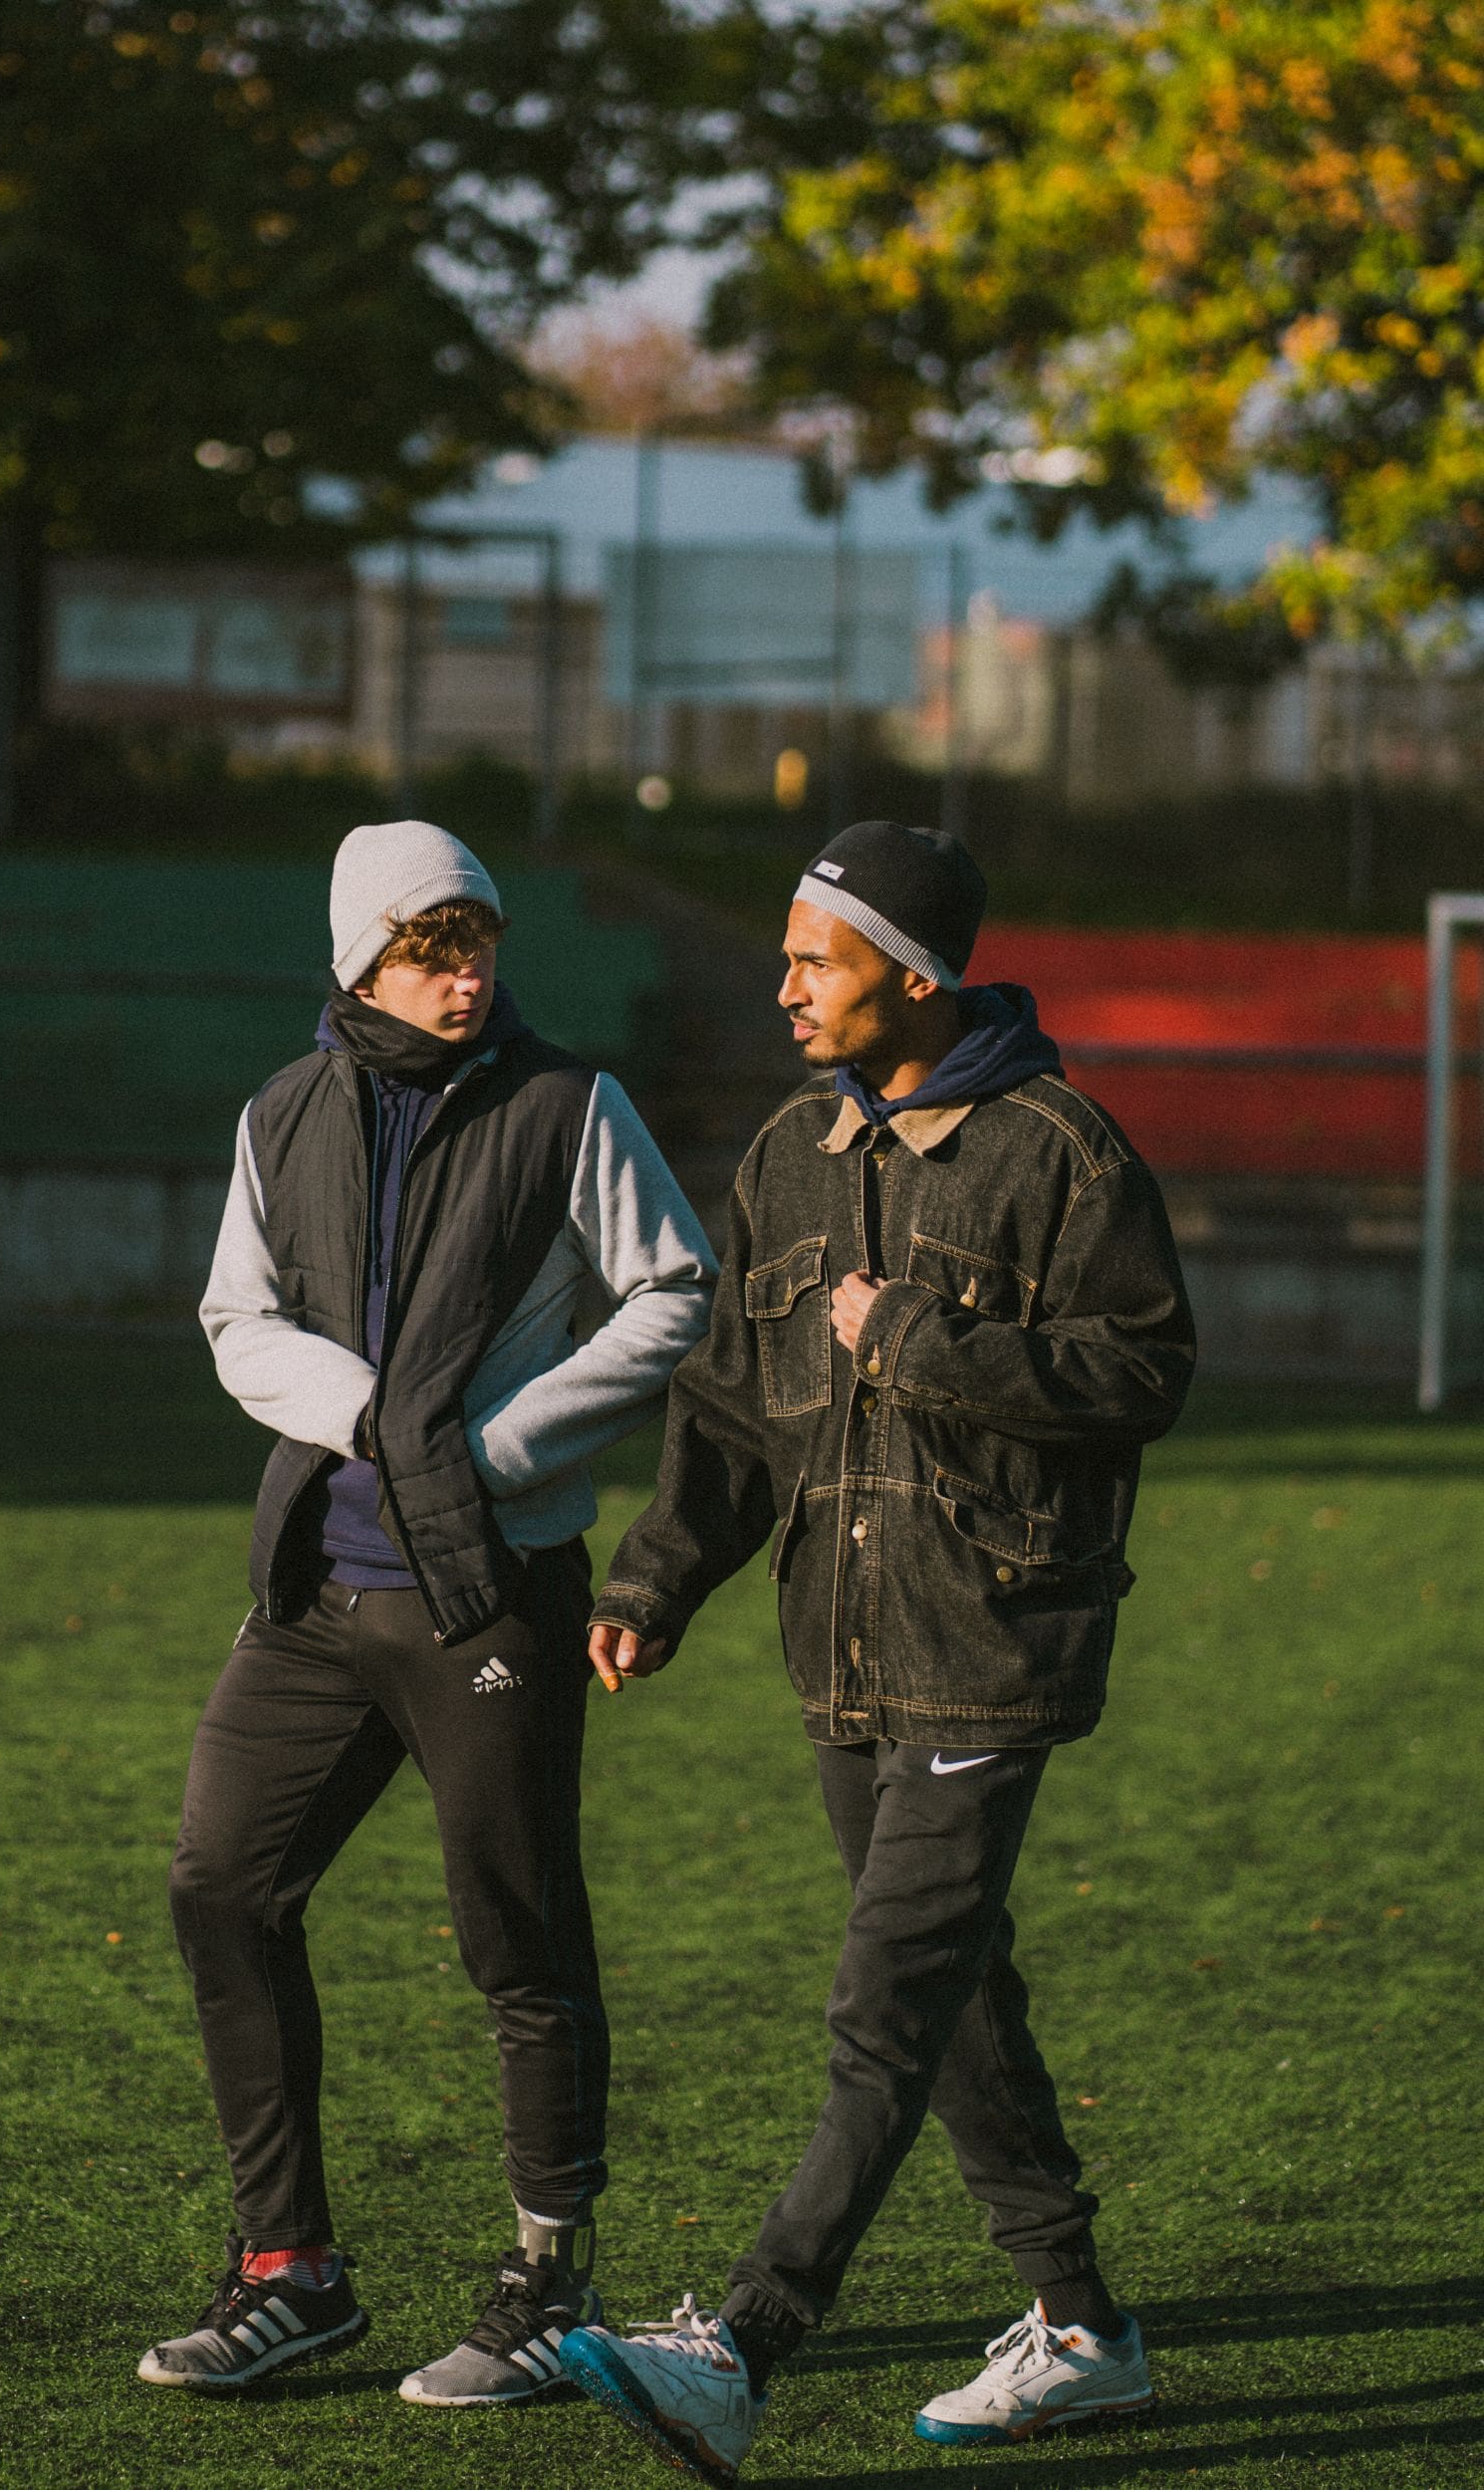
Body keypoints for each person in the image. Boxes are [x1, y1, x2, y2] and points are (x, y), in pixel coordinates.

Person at [557, 819, 1195, 2482]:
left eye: (815, 961)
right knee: (951, 1986)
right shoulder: (790, 1151)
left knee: (885, 2004)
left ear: (912, 977)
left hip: (994, 1640)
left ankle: (743, 2346)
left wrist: (919, 1339)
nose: (785, 989)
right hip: (840, 1654)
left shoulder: (1061, 1153)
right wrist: (654, 1580)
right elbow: (727, 1406)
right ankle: (1082, 2331)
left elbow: (1143, 1373)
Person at [142, 820, 717, 2406]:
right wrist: (371, 1420)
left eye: (478, 945)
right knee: (221, 1889)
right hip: (316, 1585)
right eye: (429, 950)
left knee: (517, 1936)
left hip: (488, 1589)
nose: (465, 978)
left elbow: (677, 1286)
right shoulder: (284, 1109)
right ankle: (291, 2273)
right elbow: (236, 1318)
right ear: (362, 961)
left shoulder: (569, 1103)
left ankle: (548, 2286)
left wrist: (494, 1447)